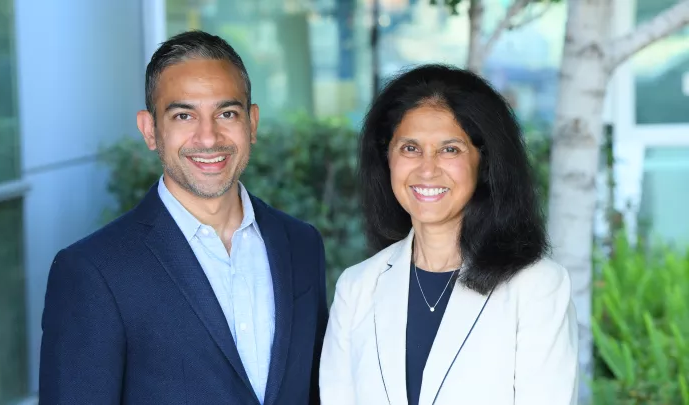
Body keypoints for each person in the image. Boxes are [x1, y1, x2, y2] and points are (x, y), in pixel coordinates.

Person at [39, 30, 328, 405]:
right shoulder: (93, 271)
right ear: (150, 130)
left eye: (227, 113)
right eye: (183, 115)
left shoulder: (301, 244)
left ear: (252, 124)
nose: (208, 138)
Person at [319, 64, 578, 405]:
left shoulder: (537, 287)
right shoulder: (357, 288)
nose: (427, 169)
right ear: (387, 158)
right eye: (410, 148)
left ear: (484, 162)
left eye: (449, 149)